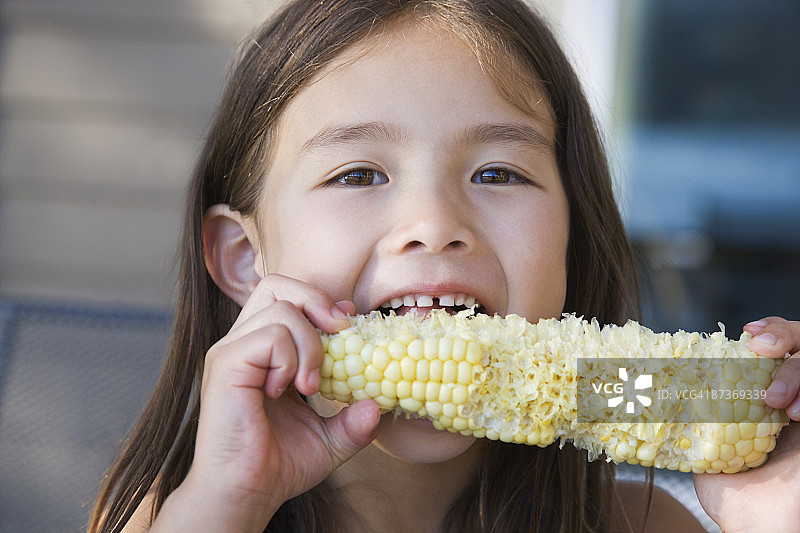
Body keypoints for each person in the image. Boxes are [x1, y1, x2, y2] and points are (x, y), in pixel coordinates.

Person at [88, 1, 800, 531]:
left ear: (571, 238)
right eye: (359, 174)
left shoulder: (646, 524)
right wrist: (227, 505)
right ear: (246, 261)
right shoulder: (179, 515)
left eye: (498, 173)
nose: (433, 225)